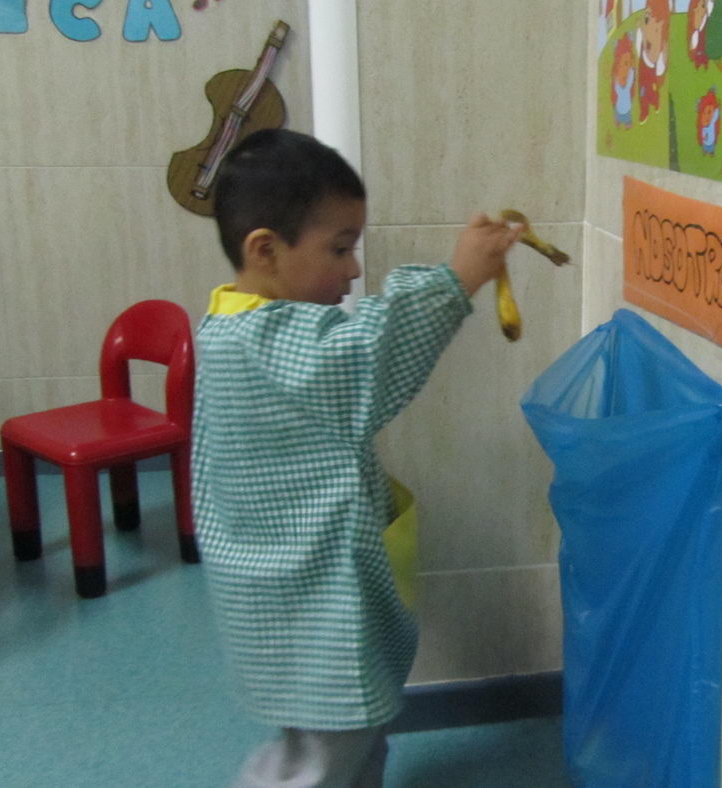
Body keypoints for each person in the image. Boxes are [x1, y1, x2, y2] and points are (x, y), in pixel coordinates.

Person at [191, 128, 523, 787]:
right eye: (338, 249)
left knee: (352, 735)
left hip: (292, 589)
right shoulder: (266, 345)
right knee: (321, 754)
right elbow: (368, 354)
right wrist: (457, 280)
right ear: (265, 249)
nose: (352, 270)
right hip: (304, 598)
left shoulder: (237, 324)